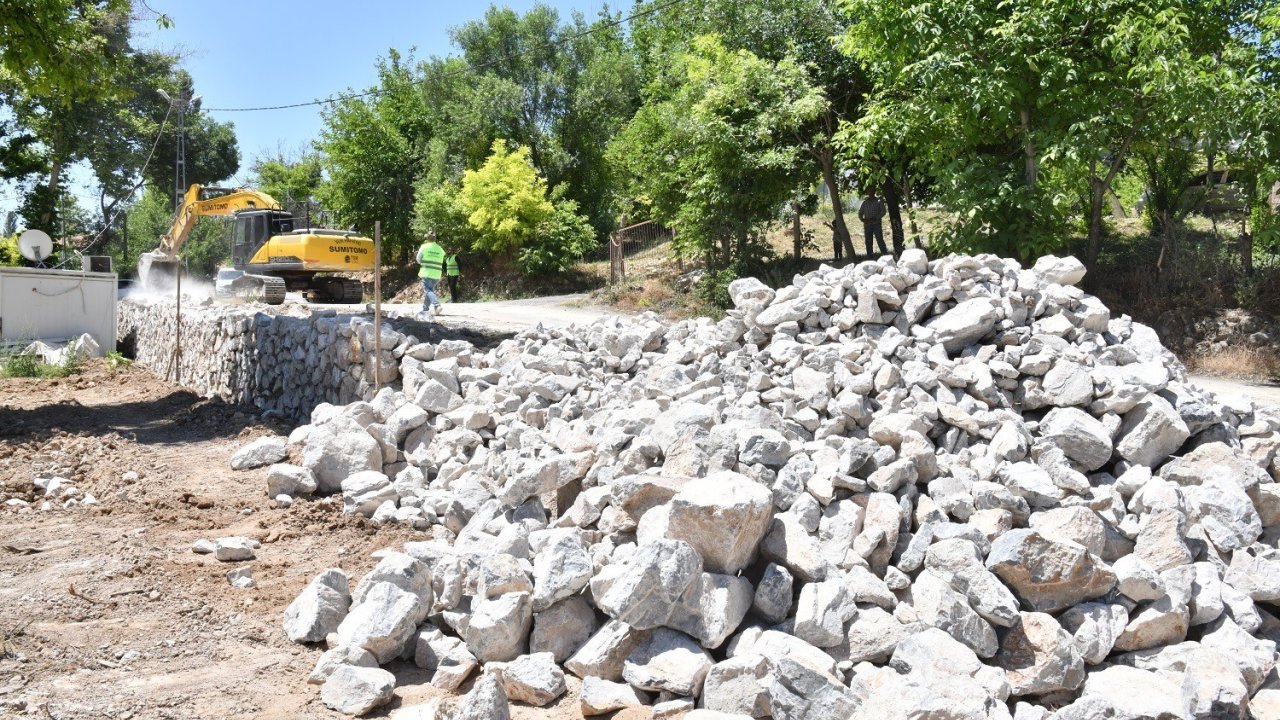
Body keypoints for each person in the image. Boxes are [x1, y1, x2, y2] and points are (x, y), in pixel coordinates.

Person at [415, 231, 445, 317]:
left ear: (427, 238)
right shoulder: (440, 248)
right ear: (435, 238)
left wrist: (422, 263)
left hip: (427, 272)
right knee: (430, 290)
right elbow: (442, 258)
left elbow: (418, 258)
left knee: (427, 290)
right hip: (436, 273)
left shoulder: (424, 247)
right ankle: (425, 309)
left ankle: (437, 305)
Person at [858, 188, 889, 257]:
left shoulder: (879, 201)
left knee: (880, 240)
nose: (871, 192)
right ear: (867, 192)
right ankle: (870, 256)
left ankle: (885, 255)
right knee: (868, 241)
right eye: (869, 191)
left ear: (874, 191)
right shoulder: (865, 202)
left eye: (872, 190)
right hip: (867, 224)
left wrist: (876, 218)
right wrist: (863, 219)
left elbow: (883, 211)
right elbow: (860, 213)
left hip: (876, 223)